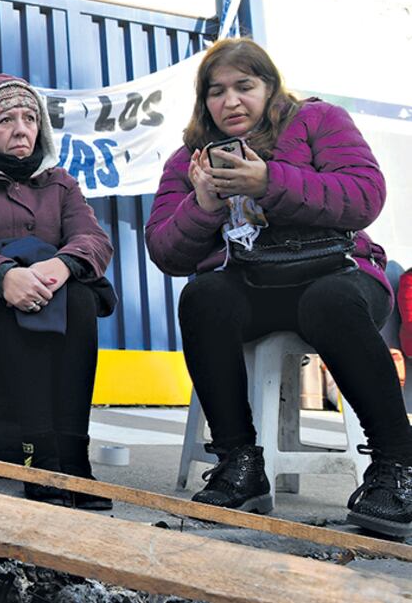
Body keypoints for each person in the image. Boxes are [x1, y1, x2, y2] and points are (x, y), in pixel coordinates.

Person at [146, 37, 412, 537]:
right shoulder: (189, 160)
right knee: (203, 296)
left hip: (339, 274)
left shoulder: (319, 121)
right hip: (254, 283)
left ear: (270, 88)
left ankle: (398, 467)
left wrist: (269, 182)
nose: (231, 102)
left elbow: (364, 195)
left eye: (245, 86)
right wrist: (201, 207)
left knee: (328, 302)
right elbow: (164, 250)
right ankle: (239, 464)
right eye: (217, 91)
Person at [0, 73, 116, 510]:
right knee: (17, 310)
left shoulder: (60, 184)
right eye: (6, 119)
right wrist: (3, 276)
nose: (21, 128)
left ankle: (74, 455)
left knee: (81, 298)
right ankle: (39, 456)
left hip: (49, 298)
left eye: (30, 118)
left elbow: (94, 241)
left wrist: (61, 265)